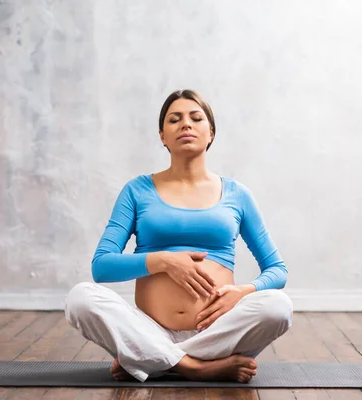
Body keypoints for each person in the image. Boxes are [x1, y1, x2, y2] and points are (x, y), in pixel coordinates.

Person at [64, 89, 293, 383]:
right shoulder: (137, 190)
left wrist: (241, 293)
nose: (186, 124)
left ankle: (151, 360)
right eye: (175, 119)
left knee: (278, 306)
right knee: (80, 298)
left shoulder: (237, 194)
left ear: (211, 133)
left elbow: (278, 270)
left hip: (218, 330)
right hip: (150, 328)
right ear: (162, 135)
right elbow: (102, 267)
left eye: (196, 118)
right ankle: (195, 367)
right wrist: (164, 262)